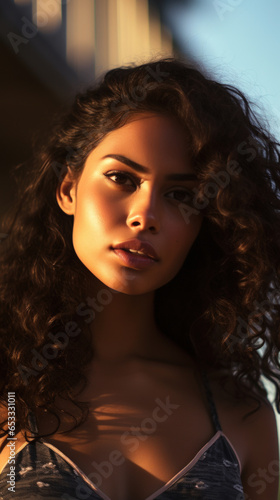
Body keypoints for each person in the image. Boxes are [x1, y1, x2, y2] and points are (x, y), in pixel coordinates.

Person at [0, 57, 279, 500]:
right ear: (68, 188)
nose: (145, 216)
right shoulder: (11, 391)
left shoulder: (242, 412)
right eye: (121, 178)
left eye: (180, 195)